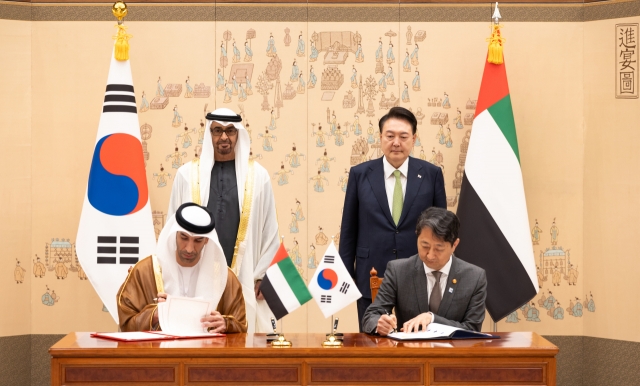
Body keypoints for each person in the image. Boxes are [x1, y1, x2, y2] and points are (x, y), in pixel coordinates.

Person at [167, 108, 279, 333]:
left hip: (244, 276)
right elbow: (173, 229)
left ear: (239, 134)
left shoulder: (259, 177)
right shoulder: (186, 176)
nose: (224, 137)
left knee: (244, 346)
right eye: (217, 130)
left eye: (230, 131)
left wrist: (265, 276)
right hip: (196, 276)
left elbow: (270, 231)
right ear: (209, 135)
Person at [340, 107, 447, 331]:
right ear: (380, 138)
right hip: (370, 273)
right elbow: (349, 230)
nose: (396, 142)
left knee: (418, 341)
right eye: (390, 136)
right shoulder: (360, 175)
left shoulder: (431, 174)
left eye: (403, 136)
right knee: (373, 341)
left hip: (419, 273)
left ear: (414, 139)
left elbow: (442, 231)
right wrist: (345, 277)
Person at [117, 203, 247, 333]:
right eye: (184, 238)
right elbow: (126, 323)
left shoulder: (224, 278)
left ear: (207, 240)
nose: (189, 248)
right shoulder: (145, 271)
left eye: (198, 241)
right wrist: (156, 314)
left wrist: (226, 324)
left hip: (207, 352)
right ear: (175, 234)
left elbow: (242, 327)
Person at [362, 208, 486, 335]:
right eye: (425, 246)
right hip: (409, 352)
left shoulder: (474, 277)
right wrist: (380, 323)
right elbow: (371, 316)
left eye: (439, 248)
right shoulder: (398, 271)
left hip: (453, 353)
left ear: (455, 244)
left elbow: (472, 329)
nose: (430, 255)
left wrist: (432, 318)